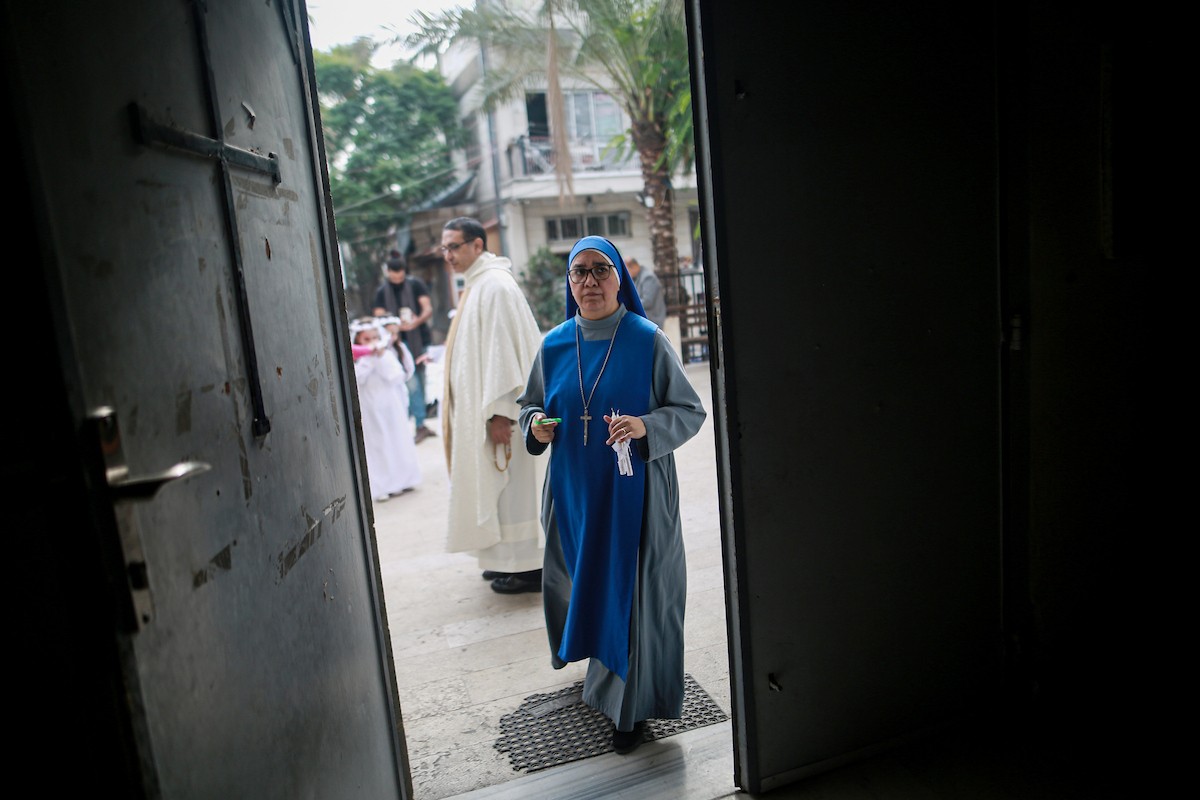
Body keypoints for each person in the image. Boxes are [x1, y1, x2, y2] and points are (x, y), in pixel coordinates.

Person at [517, 235, 706, 755]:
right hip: (576, 499)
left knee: (634, 602)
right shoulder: (554, 343)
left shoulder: (647, 340)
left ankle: (630, 710)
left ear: (620, 276)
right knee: (588, 591)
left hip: (634, 497)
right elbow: (529, 407)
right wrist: (536, 426)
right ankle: (601, 681)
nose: (590, 281)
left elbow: (690, 411)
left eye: (601, 270)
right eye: (580, 272)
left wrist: (645, 426)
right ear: (569, 283)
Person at [440, 217, 546, 594]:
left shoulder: (495, 287)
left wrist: (502, 413)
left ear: (477, 246)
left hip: (504, 419)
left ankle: (529, 567)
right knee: (502, 492)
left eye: (454, 246)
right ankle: (503, 559)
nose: (448, 255)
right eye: (445, 248)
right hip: (489, 415)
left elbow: (504, 357)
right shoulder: (479, 284)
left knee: (513, 491)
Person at [350, 318, 421, 501]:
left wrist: (380, 359)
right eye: (366, 339)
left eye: (375, 337)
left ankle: (403, 479)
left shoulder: (387, 355)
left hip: (391, 405)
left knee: (396, 438)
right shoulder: (359, 361)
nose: (372, 342)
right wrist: (369, 360)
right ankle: (382, 485)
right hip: (371, 408)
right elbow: (358, 379)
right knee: (377, 445)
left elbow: (396, 376)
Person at [372, 250, 437, 443]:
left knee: (422, 381)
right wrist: (393, 325)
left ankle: (420, 421)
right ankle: (419, 423)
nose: (398, 278)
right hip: (399, 343)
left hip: (420, 339)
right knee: (412, 384)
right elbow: (378, 315)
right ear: (388, 273)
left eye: (401, 274)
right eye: (394, 275)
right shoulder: (382, 292)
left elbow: (427, 308)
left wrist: (416, 321)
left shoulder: (415, 284)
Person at [625, 257, 667, 329]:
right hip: (645, 321)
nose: (627, 273)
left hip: (653, 321)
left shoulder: (648, 277)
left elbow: (647, 301)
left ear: (634, 266)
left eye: (627, 270)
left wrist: (629, 304)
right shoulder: (637, 277)